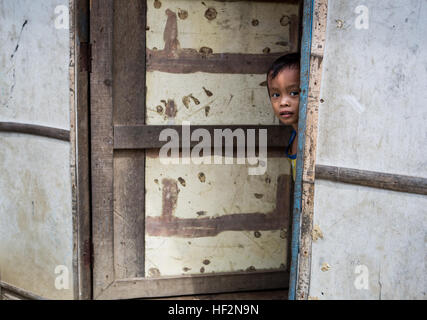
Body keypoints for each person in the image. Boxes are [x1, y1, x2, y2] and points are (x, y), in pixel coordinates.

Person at [266, 53, 300, 181]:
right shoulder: (295, 135)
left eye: (294, 93)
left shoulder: (313, 139)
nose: (283, 102)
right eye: (275, 95)